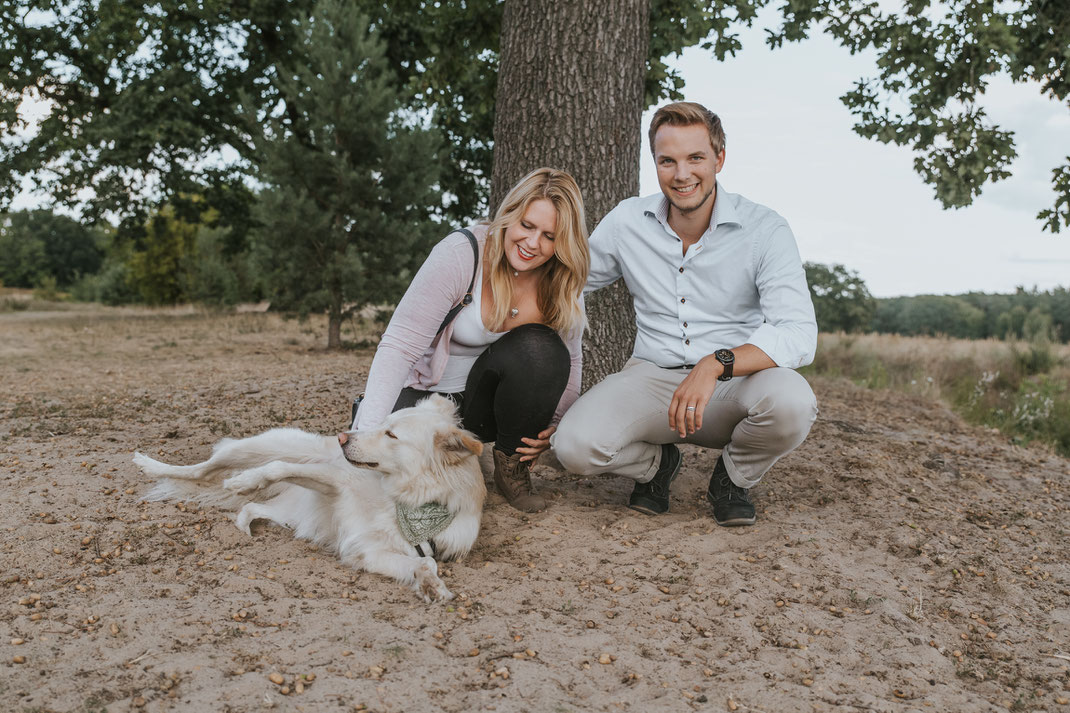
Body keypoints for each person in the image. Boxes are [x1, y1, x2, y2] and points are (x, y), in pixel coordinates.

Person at [552, 102, 818, 527]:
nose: (681, 174)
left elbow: (799, 332)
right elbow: (569, 280)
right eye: (667, 161)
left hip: (735, 386)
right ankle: (656, 467)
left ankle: (732, 478)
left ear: (719, 158)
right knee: (573, 447)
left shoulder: (765, 229)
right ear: (654, 163)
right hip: (652, 378)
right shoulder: (627, 221)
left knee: (793, 402)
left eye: (696, 158)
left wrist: (716, 364)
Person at [354, 167, 589, 512]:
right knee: (403, 473)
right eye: (526, 225)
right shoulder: (463, 253)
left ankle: (511, 467)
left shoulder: (563, 280)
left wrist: (553, 427)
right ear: (509, 215)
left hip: (485, 404)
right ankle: (367, 416)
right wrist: (369, 433)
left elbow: (571, 360)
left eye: (550, 236)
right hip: (425, 398)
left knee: (542, 349)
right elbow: (398, 347)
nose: (532, 243)